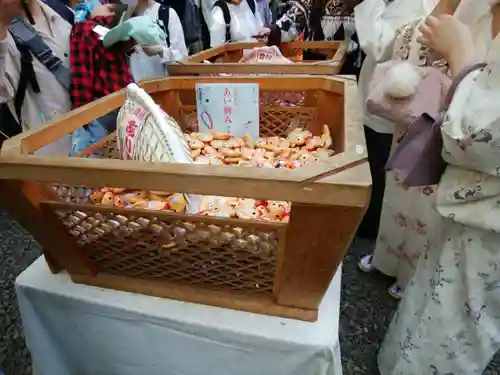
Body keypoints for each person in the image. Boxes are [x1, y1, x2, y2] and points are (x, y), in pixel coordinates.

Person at [377, 0, 500, 372]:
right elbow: (408, 50)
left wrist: (462, 56)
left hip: (485, 217)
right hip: (454, 194)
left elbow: (479, 134)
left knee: (455, 328)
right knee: (429, 300)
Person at [355, 0, 458, 299]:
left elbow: (378, 45)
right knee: (396, 186)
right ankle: (386, 258)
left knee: (423, 194)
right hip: (409, 106)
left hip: (436, 104)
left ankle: (409, 273)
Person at [0, 0, 113, 156]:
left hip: (94, 146)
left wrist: (107, 31)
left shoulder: (62, 12)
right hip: (51, 165)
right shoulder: (5, 36)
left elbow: (93, 64)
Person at [256, 0, 364, 75]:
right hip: (315, 68)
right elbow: (293, 20)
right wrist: (273, 30)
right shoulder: (310, 2)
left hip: (350, 71)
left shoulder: (363, 3)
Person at [129, 0, 188, 81]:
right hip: (132, 87)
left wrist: (161, 50)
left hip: (161, 85)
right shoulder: (126, 16)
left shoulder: (166, 14)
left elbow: (182, 59)